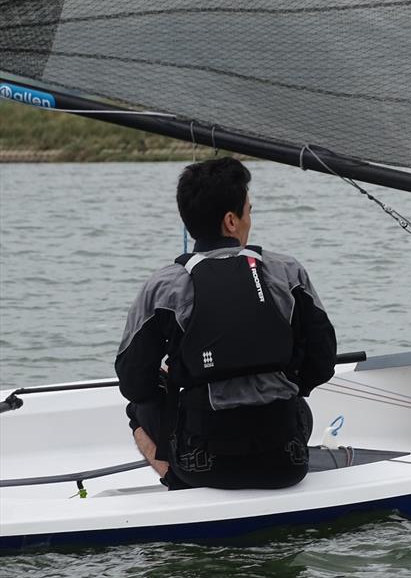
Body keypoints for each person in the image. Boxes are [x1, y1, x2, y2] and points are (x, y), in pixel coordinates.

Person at [115, 157, 336, 490]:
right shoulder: (288, 272)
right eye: (249, 211)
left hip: (202, 467)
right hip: (285, 463)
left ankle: (178, 480)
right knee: (297, 404)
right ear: (231, 221)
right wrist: (283, 382)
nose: (249, 219)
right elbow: (322, 363)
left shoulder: (162, 286)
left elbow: (134, 384)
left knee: (137, 410)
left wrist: (172, 383)